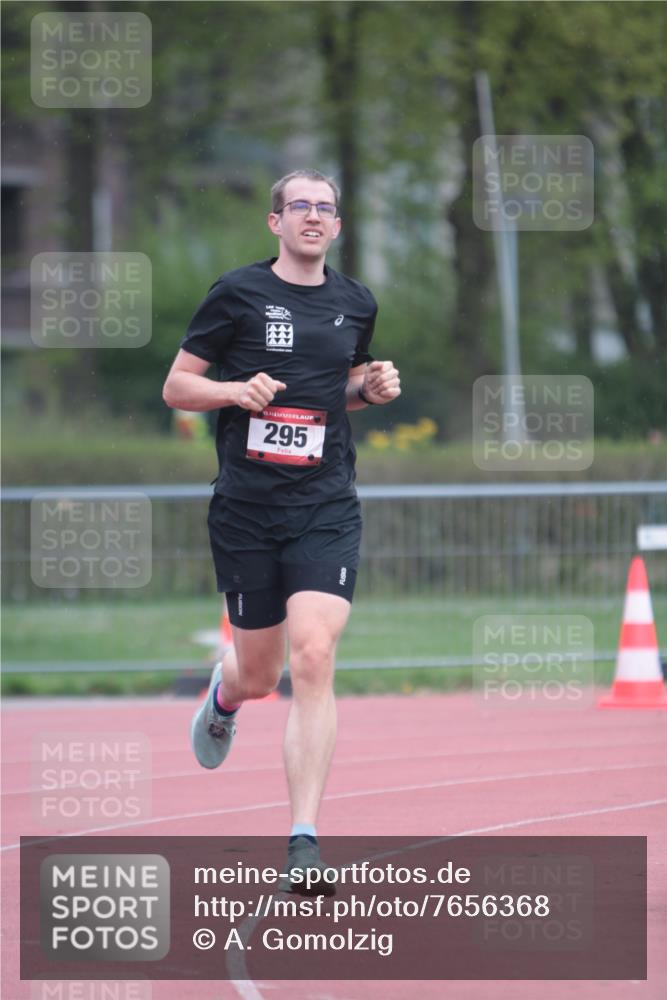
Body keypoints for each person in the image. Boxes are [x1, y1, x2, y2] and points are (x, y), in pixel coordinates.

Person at [162, 169, 400, 893]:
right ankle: (225, 696)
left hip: (325, 504)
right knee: (261, 676)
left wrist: (369, 389)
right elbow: (177, 386)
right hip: (246, 508)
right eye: (300, 206)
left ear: (337, 225)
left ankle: (303, 840)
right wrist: (235, 390)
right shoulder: (236, 293)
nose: (313, 217)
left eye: (325, 208)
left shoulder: (356, 302)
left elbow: (337, 390)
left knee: (315, 653)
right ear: (275, 222)